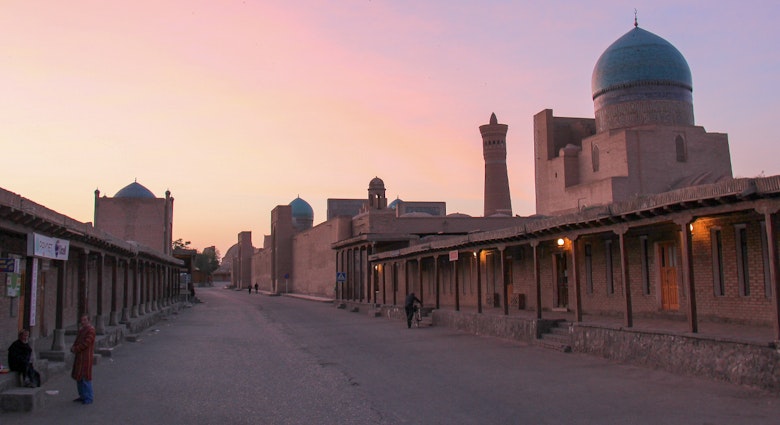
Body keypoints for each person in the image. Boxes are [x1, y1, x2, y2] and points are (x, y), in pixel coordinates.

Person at [71, 314, 96, 405]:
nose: (83, 322)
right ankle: (82, 395)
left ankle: (88, 397)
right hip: (79, 357)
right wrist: (73, 347)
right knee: (79, 378)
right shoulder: (81, 330)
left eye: (85, 320)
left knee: (86, 378)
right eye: (82, 320)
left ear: (89, 321)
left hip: (86, 358)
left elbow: (86, 343)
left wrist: (76, 349)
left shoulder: (91, 331)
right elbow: (77, 341)